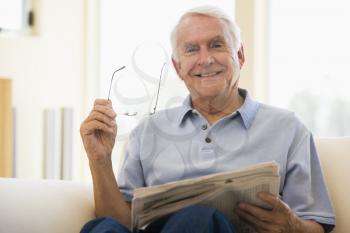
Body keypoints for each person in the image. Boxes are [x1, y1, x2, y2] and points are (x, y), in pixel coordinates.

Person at [80, 5, 335, 233]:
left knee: (198, 219)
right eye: (191, 50)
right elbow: (122, 223)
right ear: (178, 67)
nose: (205, 59)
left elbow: (316, 223)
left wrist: (292, 226)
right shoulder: (148, 130)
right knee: (101, 227)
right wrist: (99, 160)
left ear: (240, 56)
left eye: (216, 45)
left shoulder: (288, 128)